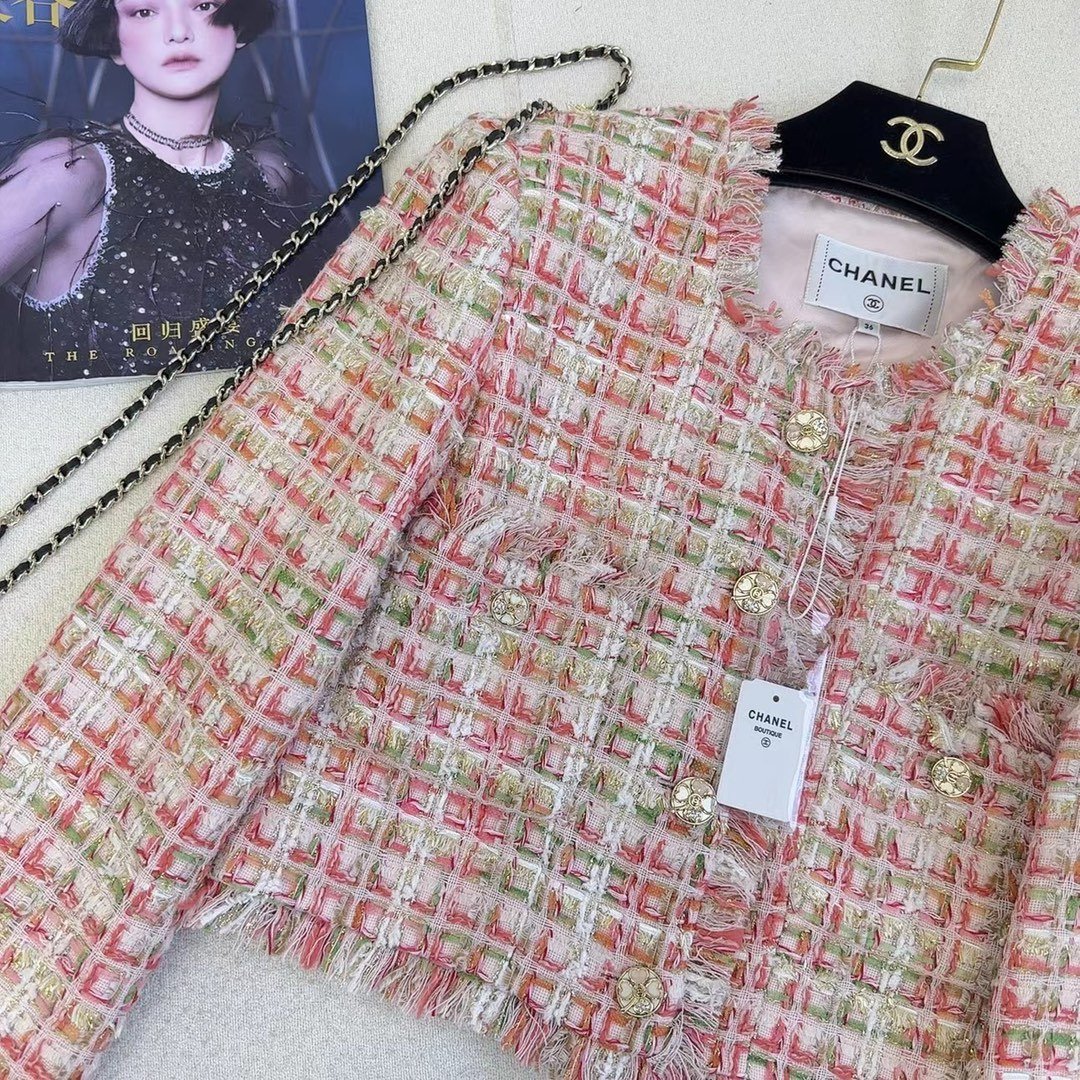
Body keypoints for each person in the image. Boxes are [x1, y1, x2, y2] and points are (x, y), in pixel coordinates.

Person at [0, 0, 326, 383]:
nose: (178, 32)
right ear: (114, 39)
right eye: (144, 12)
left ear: (238, 24)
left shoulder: (268, 175)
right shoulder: (69, 172)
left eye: (203, 5)